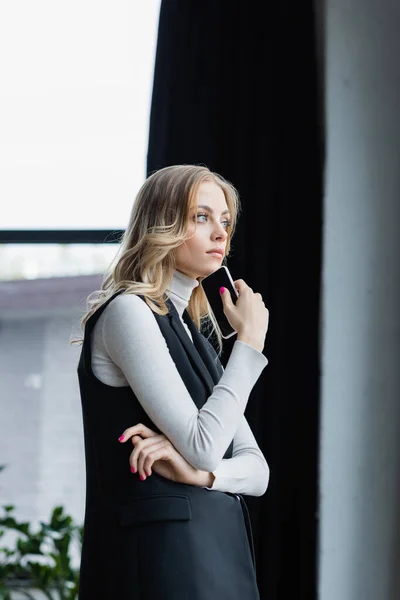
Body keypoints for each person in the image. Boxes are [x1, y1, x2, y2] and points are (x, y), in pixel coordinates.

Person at [75, 164, 270, 599]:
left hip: (217, 559)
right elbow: (204, 444)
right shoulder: (129, 312)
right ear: (162, 223)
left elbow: (258, 471)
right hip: (160, 564)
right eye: (201, 217)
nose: (220, 233)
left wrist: (200, 476)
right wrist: (250, 343)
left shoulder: (195, 335)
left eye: (224, 221)